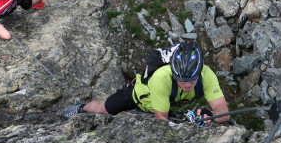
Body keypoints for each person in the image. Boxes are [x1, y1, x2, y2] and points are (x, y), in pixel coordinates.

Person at [62, 41, 230, 124]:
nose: (187, 85)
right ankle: (81, 108)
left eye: (191, 80)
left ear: (199, 72)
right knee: (103, 109)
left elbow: (224, 112)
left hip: (171, 106)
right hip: (137, 97)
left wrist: (211, 117)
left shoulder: (207, 75)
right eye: (181, 79)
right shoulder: (161, 78)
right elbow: (161, 120)